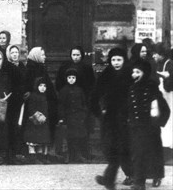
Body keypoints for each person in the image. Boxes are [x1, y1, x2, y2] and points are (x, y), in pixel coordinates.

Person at [92, 47, 134, 190]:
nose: (116, 63)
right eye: (113, 60)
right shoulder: (106, 74)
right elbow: (94, 96)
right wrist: (99, 113)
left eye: (119, 60)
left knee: (123, 148)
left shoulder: (130, 74)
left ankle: (112, 179)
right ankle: (115, 177)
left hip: (126, 118)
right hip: (110, 118)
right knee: (112, 148)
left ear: (124, 60)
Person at [128, 60, 170, 190]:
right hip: (136, 126)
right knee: (138, 153)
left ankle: (157, 175)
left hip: (150, 127)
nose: (134, 75)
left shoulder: (152, 88)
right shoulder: (131, 88)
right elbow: (128, 107)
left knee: (154, 153)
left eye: (137, 72)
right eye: (133, 72)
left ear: (144, 73)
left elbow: (165, 109)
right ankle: (139, 182)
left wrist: (158, 123)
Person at [55, 46, 95, 159]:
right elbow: (59, 83)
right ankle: (71, 153)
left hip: (82, 101)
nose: (76, 57)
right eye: (73, 55)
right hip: (68, 102)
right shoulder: (65, 67)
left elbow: (91, 83)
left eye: (78, 55)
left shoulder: (86, 67)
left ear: (81, 55)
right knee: (70, 131)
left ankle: (84, 152)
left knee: (83, 129)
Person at [25, 47, 59, 160]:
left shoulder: (40, 67)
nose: (45, 57)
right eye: (42, 55)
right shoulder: (31, 69)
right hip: (36, 104)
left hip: (44, 102)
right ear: (37, 56)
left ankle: (45, 152)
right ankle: (36, 153)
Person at [57, 68, 89, 163]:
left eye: (73, 77)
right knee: (70, 137)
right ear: (66, 79)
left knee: (79, 137)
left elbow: (84, 103)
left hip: (78, 117)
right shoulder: (63, 90)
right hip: (69, 117)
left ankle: (78, 156)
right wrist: (62, 117)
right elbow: (61, 105)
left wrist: (83, 114)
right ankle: (69, 156)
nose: (71, 79)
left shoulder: (79, 90)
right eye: (69, 77)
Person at [5, 45, 28, 163]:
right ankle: (9, 154)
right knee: (9, 125)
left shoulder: (22, 66)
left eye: (16, 52)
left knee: (17, 126)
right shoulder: (6, 66)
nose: (14, 54)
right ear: (9, 54)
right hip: (9, 99)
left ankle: (16, 153)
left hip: (20, 100)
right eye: (12, 52)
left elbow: (26, 81)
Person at [24, 77, 52, 164]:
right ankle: (32, 156)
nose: (43, 87)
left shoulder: (44, 96)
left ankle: (40, 156)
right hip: (34, 121)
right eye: (40, 86)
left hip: (43, 121)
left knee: (41, 139)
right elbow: (31, 109)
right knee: (33, 139)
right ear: (36, 86)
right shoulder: (33, 96)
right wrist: (38, 116)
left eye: (44, 86)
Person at [155, 44, 173, 154]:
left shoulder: (169, 64)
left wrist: (162, 75)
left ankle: (167, 143)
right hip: (166, 96)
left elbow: (169, 80)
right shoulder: (164, 63)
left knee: (169, 119)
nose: (154, 56)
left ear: (161, 54)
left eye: (155, 54)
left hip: (168, 96)